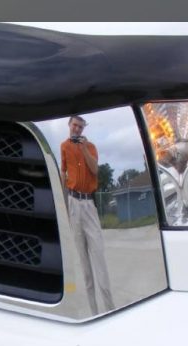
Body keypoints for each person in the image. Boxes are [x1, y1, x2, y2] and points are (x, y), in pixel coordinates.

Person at [60, 115, 115, 312]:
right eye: (75, 125)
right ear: (69, 125)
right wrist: (64, 204)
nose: (77, 130)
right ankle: (94, 312)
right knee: (84, 263)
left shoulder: (90, 147)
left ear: (84, 129)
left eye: (81, 127)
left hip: (89, 203)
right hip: (73, 202)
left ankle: (110, 309)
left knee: (98, 255)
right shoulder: (64, 147)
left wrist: (83, 148)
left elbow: (95, 170)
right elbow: (63, 172)